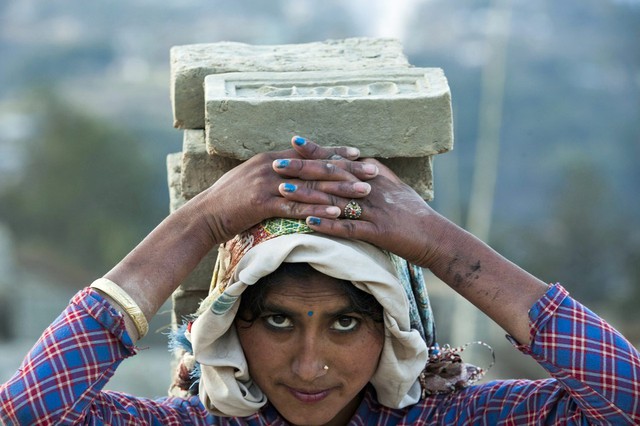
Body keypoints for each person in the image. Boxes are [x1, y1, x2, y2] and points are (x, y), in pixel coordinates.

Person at [0, 136, 638, 425]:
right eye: (278, 320)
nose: (309, 367)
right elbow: (28, 416)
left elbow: (626, 402)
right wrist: (201, 223)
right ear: (229, 327)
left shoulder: (453, 419)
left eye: (345, 321)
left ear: (390, 327)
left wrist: (440, 245)